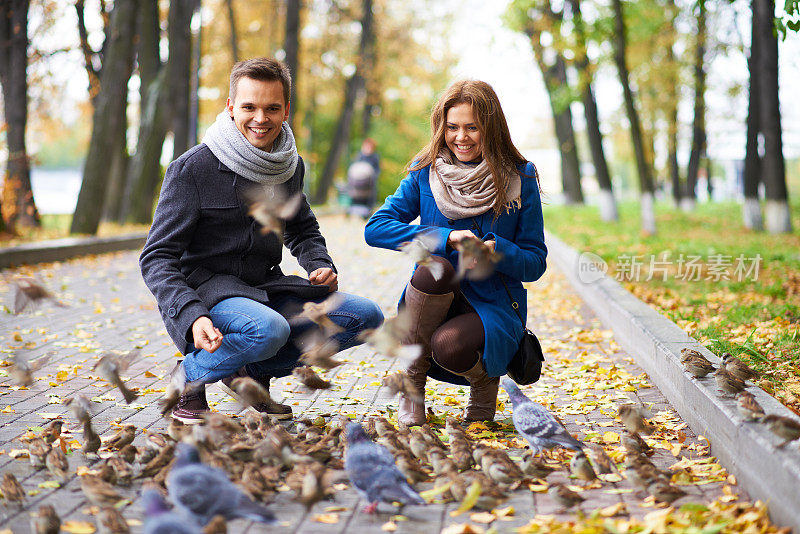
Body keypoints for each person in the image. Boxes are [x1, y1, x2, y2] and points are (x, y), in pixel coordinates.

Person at [140, 57, 383, 423]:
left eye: (272, 108)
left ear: (286, 110)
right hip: (207, 291)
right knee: (268, 329)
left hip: (263, 287)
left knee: (365, 316)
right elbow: (157, 257)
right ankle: (187, 379)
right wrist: (191, 316)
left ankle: (250, 374)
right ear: (230, 107)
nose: (260, 118)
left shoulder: (290, 167)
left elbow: (302, 227)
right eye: (249, 107)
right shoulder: (193, 169)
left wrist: (319, 263)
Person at [364, 80, 547, 426]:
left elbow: (535, 262)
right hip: (431, 300)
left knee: (448, 345)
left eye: (471, 127)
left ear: (490, 128)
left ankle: (483, 384)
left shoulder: (520, 177)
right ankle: (412, 385)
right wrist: (444, 238)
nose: (460, 137)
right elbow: (375, 228)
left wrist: (499, 251)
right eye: (452, 127)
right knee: (432, 267)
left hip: (492, 304)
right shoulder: (425, 171)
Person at [346, 138, 381, 219]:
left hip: (370, 181)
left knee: (372, 193)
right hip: (358, 180)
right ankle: (351, 209)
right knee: (352, 192)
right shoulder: (359, 155)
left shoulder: (375, 157)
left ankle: (368, 211)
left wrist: (373, 176)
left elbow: (377, 170)